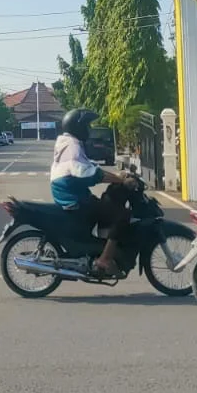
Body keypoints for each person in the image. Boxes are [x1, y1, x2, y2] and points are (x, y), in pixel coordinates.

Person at [50, 108, 140, 276]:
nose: (89, 129)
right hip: (74, 200)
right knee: (123, 215)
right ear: (78, 127)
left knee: (108, 201)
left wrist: (117, 176)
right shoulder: (72, 146)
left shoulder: (68, 142)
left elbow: (88, 166)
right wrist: (121, 180)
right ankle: (104, 259)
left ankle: (104, 244)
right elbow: (88, 173)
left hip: (74, 195)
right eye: (86, 125)